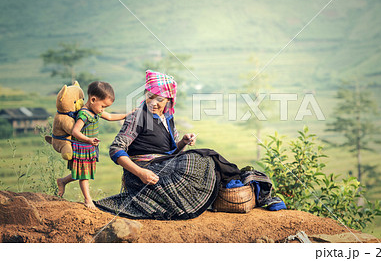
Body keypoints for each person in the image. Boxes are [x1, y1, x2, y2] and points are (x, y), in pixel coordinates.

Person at [94, 70, 281, 219]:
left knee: (206, 161)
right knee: (202, 158)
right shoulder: (138, 116)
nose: (154, 102)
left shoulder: (167, 118)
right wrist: (140, 173)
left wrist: (183, 141)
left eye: (160, 99)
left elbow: (171, 150)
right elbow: (116, 148)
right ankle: (245, 184)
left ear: (169, 100)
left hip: (164, 166)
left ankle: (250, 189)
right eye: (150, 96)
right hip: (144, 172)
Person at [57, 81, 130, 209]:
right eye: (103, 106)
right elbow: (75, 131)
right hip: (82, 148)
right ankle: (88, 199)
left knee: (83, 172)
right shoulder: (84, 114)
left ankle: (62, 181)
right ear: (93, 99)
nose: (103, 110)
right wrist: (88, 140)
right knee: (84, 175)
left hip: (89, 148)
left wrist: (126, 115)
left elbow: (110, 117)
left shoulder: (95, 111)